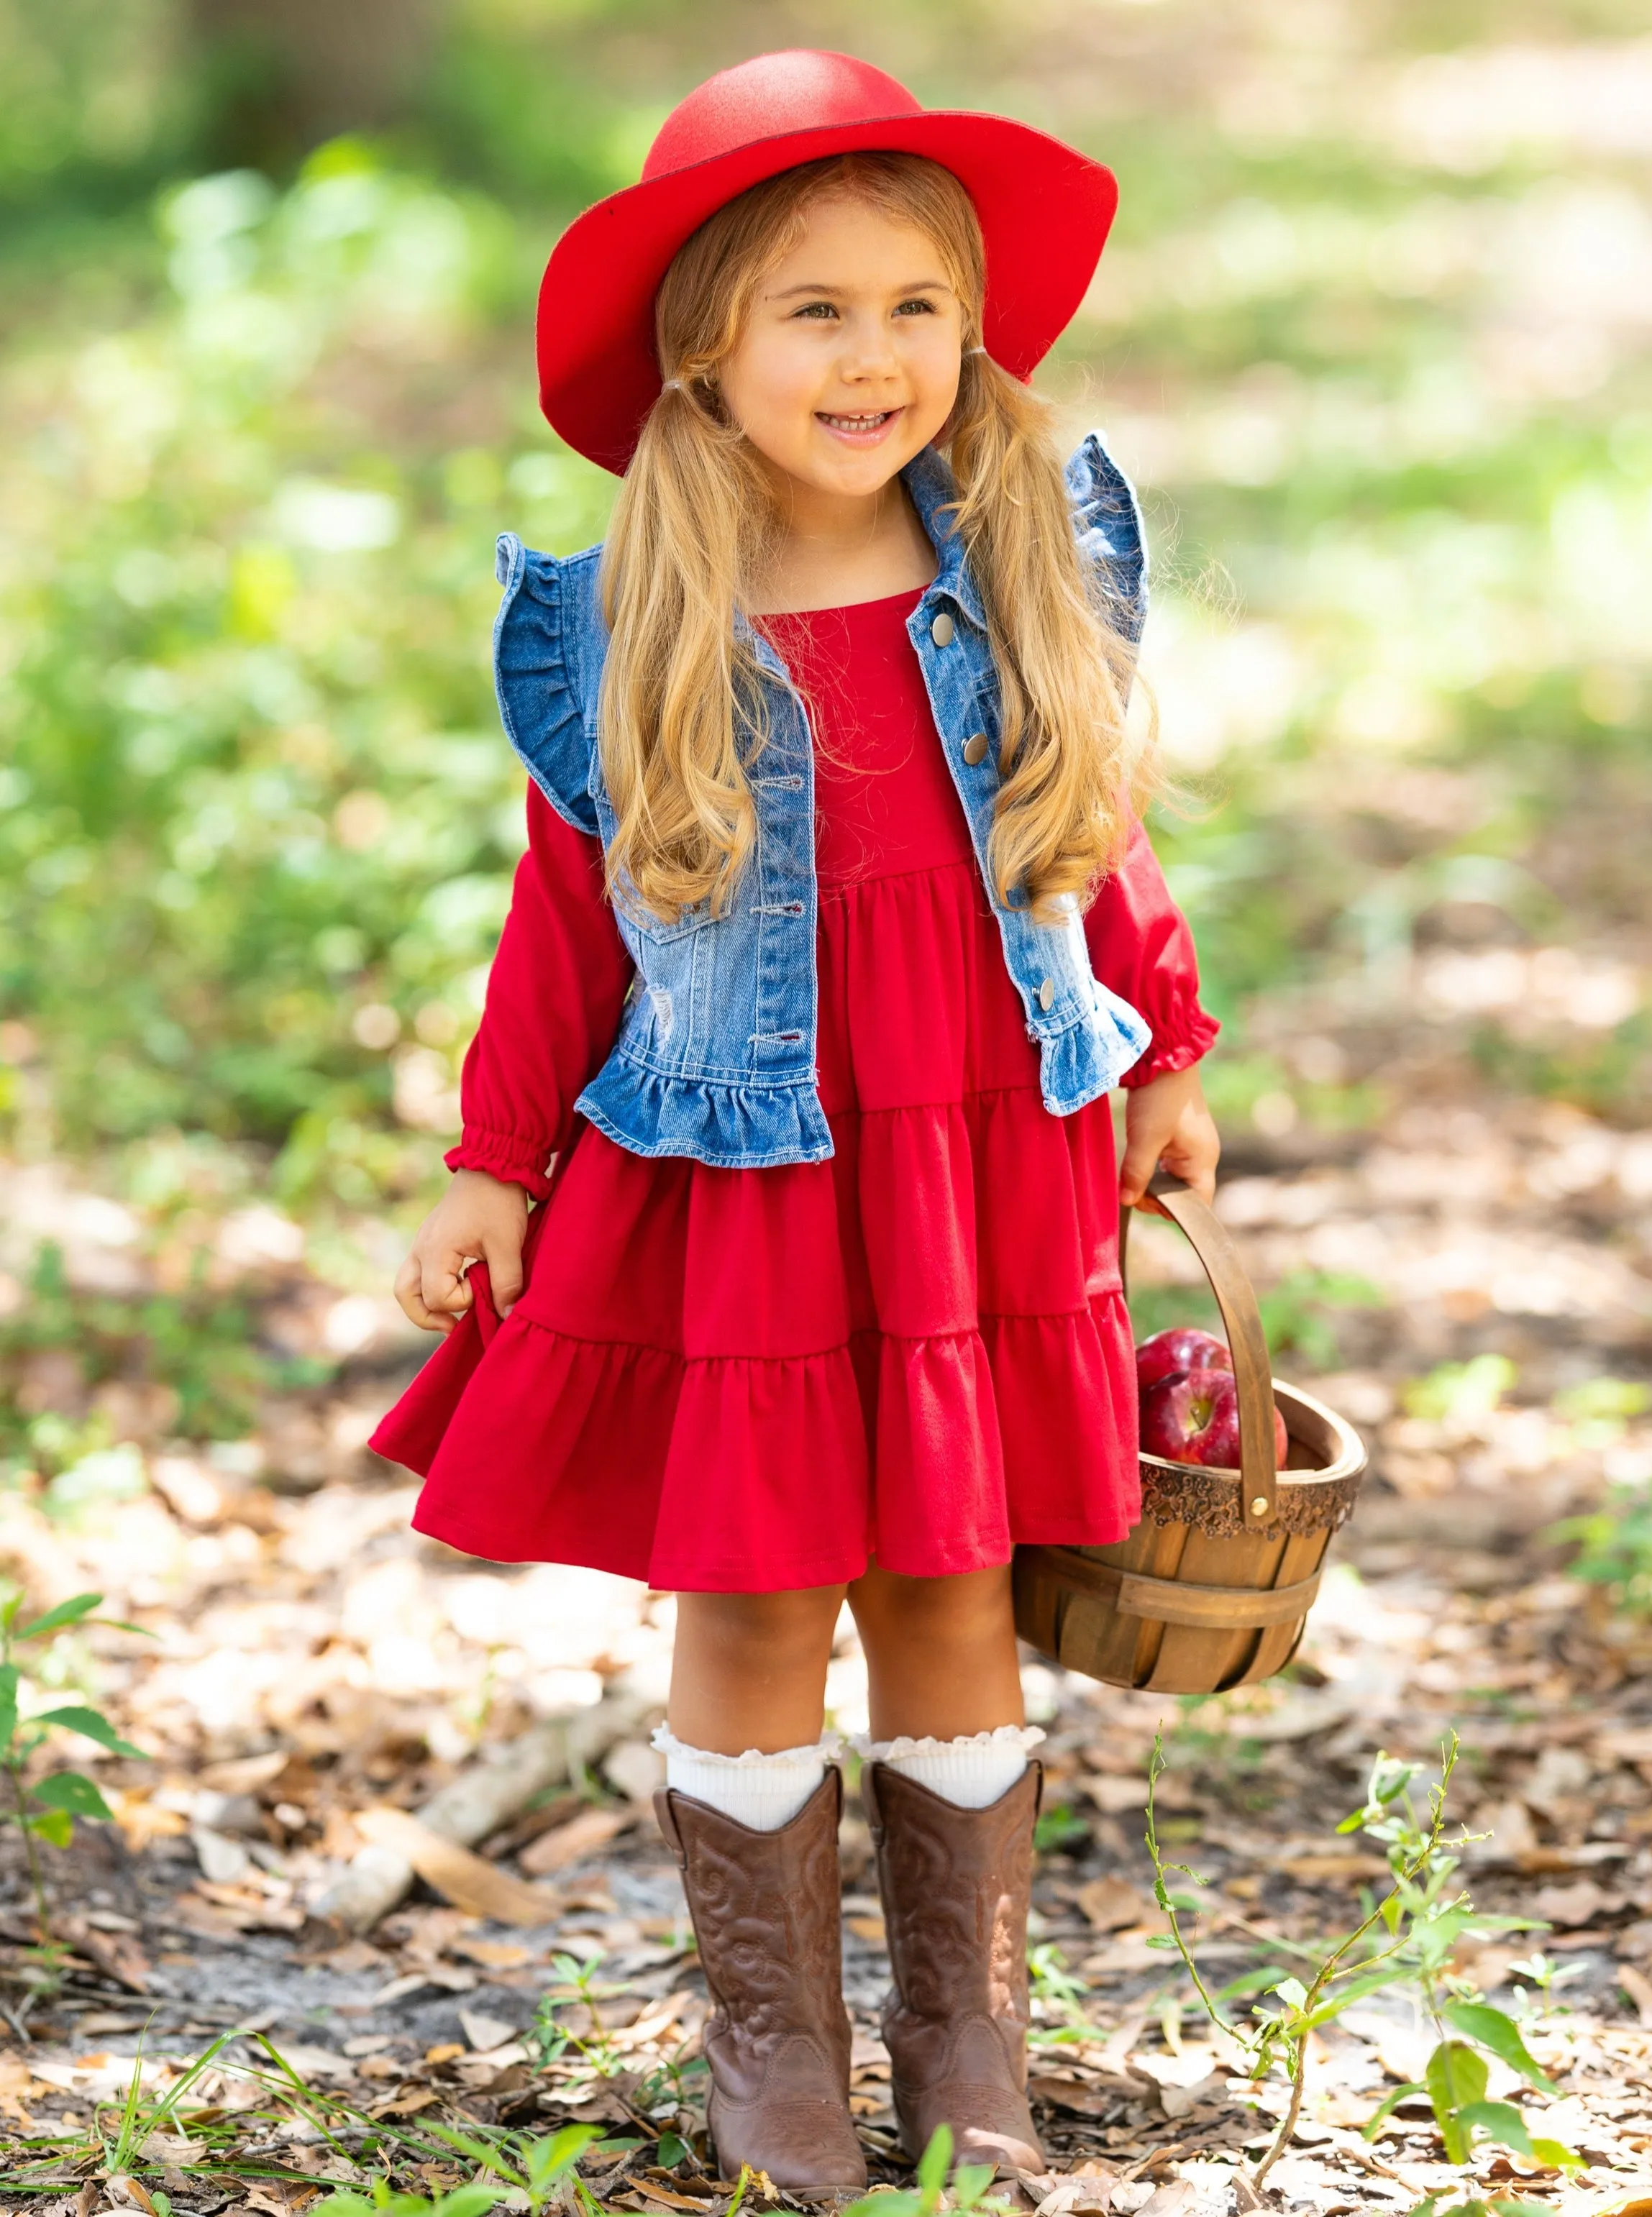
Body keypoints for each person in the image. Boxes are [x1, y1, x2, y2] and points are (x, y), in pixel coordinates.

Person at [373, 48, 1220, 2195]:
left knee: (952, 1574)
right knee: (756, 1592)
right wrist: (496, 1159)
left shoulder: (1028, 558)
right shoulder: (632, 619)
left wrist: (1172, 1059)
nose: (873, 358)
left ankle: (971, 2049)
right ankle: (774, 2063)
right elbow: (565, 914)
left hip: (979, 1151)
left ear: (974, 331)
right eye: (812, 313)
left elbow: (1089, 835)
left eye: (914, 306)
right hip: (744, 1172)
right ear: (705, 355)